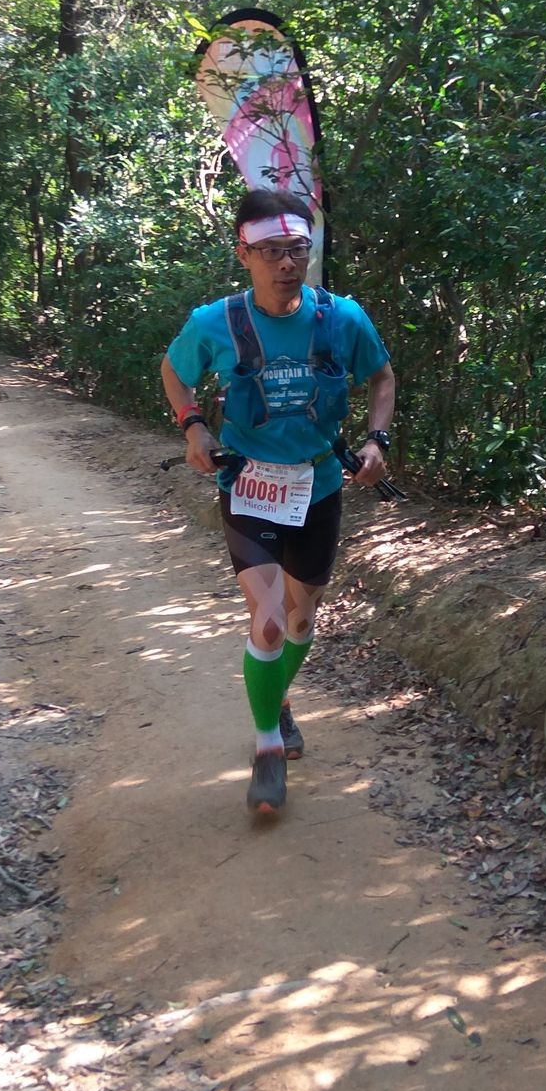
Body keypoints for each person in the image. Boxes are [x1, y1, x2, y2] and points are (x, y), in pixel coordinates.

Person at [161, 188, 396, 816]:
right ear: (244, 254)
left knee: (299, 620)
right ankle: (267, 746)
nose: (287, 262)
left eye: (297, 249)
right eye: (271, 251)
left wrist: (376, 440)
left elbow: (381, 375)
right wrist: (193, 427)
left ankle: (278, 698)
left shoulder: (342, 318)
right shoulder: (214, 323)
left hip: (318, 486)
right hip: (249, 486)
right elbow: (174, 371)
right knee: (265, 618)